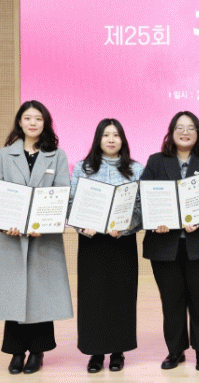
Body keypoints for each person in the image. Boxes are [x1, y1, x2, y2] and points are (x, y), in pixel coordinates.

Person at [0, 100, 73, 375]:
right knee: (14, 295)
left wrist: (45, 223)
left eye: (38, 118)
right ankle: (16, 352)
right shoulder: (3, 155)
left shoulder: (56, 155)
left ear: (46, 123)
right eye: (28, 118)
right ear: (20, 122)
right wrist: (5, 222)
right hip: (11, 238)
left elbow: (62, 192)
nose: (33, 123)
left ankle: (37, 352)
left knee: (40, 297)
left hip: (43, 238)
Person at [141, 111, 199, 371]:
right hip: (165, 244)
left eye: (191, 128)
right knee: (171, 300)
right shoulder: (156, 161)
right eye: (179, 127)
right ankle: (175, 351)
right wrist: (157, 220)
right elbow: (146, 196)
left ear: (198, 133)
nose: (185, 132)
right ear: (171, 132)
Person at [69, 119, 144, 373]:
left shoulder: (136, 169)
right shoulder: (83, 168)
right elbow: (72, 203)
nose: (111, 139)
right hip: (92, 243)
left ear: (123, 139)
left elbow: (141, 207)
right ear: (98, 139)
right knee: (93, 298)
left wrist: (126, 226)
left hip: (122, 242)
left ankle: (118, 351)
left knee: (121, 296)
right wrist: (82, 225)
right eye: (106, 135)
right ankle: (95, 351)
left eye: (116, 135)